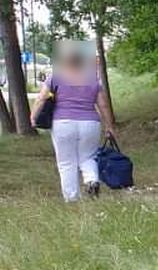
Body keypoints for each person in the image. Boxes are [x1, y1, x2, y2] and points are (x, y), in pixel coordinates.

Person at [29, 45, 116, 201]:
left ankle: (72, 199)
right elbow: (103, 105)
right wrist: (109, 126)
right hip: (90, 123)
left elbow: (41, 98)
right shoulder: (93, 80)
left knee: (66, 162)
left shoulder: (56, 77)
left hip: (63, 123)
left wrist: (33, 117)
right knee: (88, 157)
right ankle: (91, 180)